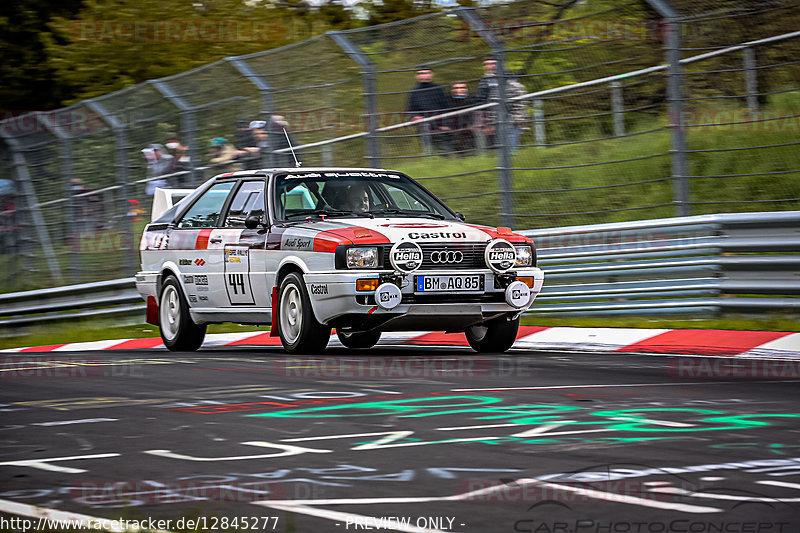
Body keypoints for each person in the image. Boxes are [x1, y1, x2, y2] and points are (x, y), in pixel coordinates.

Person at [405, 68, 451, 155]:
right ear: (417, 76)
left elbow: (446, 107)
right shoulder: (413, 91)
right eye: (421, 73)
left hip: (440, 126)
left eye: (426, 73)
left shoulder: (438, 89)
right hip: (424, 127)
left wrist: (445, 124)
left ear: (431, 74)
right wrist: (415, 117)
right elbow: (409, 110)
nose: (424, 76)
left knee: (445, 152)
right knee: (429, 153)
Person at [447, 81, 476, 154]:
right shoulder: (447, 100)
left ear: (466, 89)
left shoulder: (472, 98)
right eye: (456, 88)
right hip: (453, 129)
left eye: (462, 87)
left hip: (469, 128)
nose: (459, 90)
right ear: (452, 90)